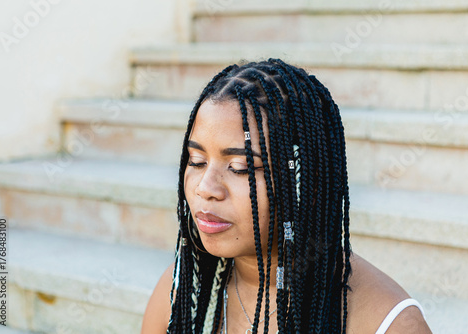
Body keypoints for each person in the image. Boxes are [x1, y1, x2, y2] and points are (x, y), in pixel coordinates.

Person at [141, 59, 432, 333]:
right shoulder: (181, 289)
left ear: (306, 179)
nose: (205, 187)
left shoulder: (388, 322)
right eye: (196, 160)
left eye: (240, 167)